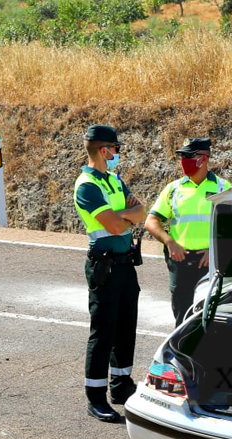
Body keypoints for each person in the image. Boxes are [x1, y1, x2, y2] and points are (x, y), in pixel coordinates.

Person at [74, 124, 146, 423]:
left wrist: (126, 217)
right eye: (115, 149)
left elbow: (142, 212)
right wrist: (128, 218)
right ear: (104, 150)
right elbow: (117, 226)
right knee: (103, 331)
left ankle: (121, 385)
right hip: (104, 265)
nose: (117, 154)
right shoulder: (87, 186)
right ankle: (95, 396)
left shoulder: (114, 181)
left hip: (125, 263)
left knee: (126, 326)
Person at [144, 137, 232, 326]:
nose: (183, 161)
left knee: (211, 316)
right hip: (180, 262)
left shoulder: (223, 188)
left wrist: (216, 249)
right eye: (182, 156)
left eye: (188, 156)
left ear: (203, 158)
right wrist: (170, 242)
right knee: (182, 317)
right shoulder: (174, 189)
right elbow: (151, 222)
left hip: (210, 264)